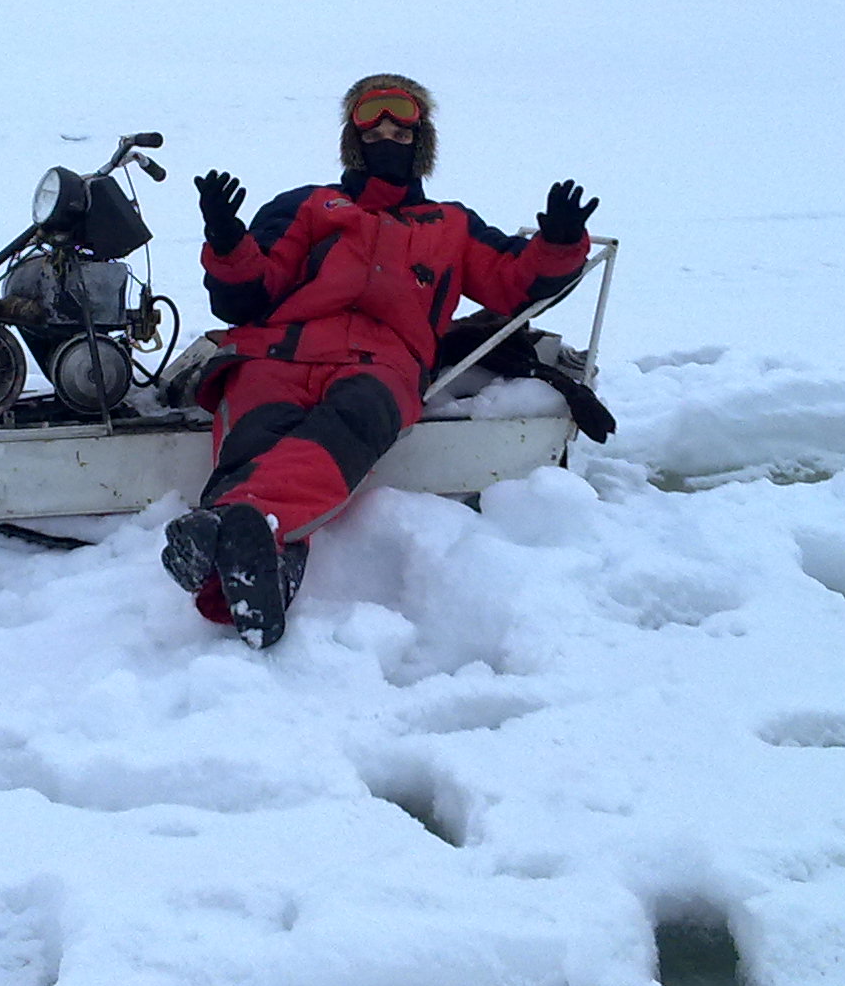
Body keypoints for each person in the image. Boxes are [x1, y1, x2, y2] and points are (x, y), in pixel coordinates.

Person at [163, 74, 598, 646]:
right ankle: (252, 552)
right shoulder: (307, 205)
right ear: (353, 143)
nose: (386, 142)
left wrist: (559, 244)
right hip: (279, 350)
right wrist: (228, 246)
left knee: (346, 426)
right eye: (373, 133)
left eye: (400, 132)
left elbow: (514, 280)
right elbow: (249, 294)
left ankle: (231, 525)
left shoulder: (451, 225)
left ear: (421, 143)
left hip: (380, 365)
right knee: (256, 436)